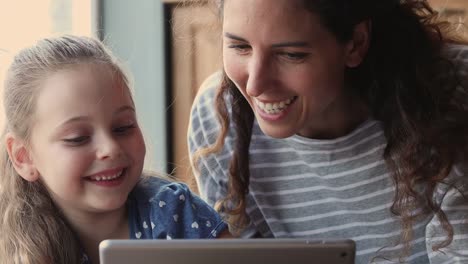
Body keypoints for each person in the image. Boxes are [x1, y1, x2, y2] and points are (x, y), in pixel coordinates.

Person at [188, 0, 468, 263]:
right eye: (240, 47)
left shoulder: (454, 92)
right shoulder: (219, 120)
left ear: (356, 43)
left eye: (291, 54)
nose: (255, 85)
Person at [0, 35, 229, 264]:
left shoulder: (175, 212)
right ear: (24, 157)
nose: (110, 148)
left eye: (123, 127)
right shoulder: (15, 248)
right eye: (77, 138)